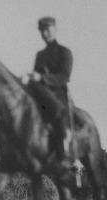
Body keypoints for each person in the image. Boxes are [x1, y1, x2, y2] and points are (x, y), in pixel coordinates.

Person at [25, 17, 75, 171]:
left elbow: (64, 77)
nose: (45, 33)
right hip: (41, 96)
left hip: (58, 95)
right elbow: (36, 76)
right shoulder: (40, 55)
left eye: (48, 30)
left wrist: (42, 78)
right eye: (42, 31)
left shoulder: (64, 52)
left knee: (59, 114)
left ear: (55, 30)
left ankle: (62, 156)